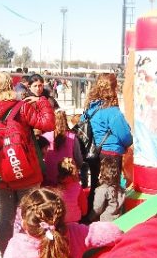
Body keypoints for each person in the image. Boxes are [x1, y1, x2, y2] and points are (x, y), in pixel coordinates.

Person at [0, 72, 54, 256]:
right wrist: (41, 101)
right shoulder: (22, 107)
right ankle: (32, 256)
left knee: (5, 218)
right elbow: (48, 124)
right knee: (31, 214)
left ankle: (7, 257)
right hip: (26, 172)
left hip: (0, 172)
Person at [80, 73, 132, 221]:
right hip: (111, 153)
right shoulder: (112, 111)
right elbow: (125, 136)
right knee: (111, 190)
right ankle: (109, 219)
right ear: (113, 88)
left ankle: (91, 214)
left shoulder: (90, 107)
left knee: (97, 185)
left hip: (93, 153)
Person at [42, 109, 83, 187]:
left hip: (49, 179)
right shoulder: (72, 137)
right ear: (65, 120)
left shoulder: (45, 137)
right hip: (68, 178)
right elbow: (79, 160)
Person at [91, 154, 125, 222]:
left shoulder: (102, 190)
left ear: (102, 173)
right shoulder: (120, 189)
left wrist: (90, 218)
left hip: (106, 222)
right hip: (119, 220)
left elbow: (97, 208)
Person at [56, 158, 86, 223]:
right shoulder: (77, 187)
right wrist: (84, 213)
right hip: (75, 218)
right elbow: (83, 205)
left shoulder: (57, 187)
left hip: (61, 219)